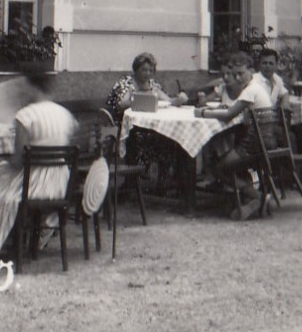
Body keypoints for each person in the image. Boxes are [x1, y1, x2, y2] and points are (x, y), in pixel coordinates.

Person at [0, 75, 79, 261]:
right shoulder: (65, 114)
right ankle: (30, 236)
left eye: (24, 88)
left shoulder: (25, 116)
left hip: (33, 185)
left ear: (32, 88)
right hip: (59, 184)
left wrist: (0, 161)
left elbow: (18, 161)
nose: (21, 93)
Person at [196, 52, 274, 218]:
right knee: (222, 159)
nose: (238, 78)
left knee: (218, 168)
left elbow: (228, 115)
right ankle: (250, 197)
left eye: (241, 74)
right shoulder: (256, 87)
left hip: (255, 144)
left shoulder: (250, 90)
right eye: (236, 74)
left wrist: (202, 113)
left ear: (251, 71)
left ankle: (257, 197)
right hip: (264, 140)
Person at [105, 52, 189, 113]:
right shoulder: (126, 83)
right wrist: (141, 102)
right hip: (126, 124)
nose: (148, 73)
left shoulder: (152, 85)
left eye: (150, 70)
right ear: (136, 70)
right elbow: (121, 105)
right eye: (144, 70)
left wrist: (179, 100)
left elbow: (169, 101)